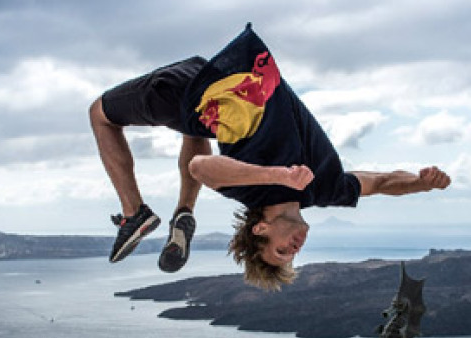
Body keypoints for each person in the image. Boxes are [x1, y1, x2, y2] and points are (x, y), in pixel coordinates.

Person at [89, 23, 451, 289]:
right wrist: (421, 184)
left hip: (190, 89)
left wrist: (277, 176)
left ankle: (135, 213)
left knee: (100, 115)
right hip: (222, 86)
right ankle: (183, 213)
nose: (294, 249)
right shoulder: (324, 190)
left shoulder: (251, 190)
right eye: (292, 256)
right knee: (198, 126)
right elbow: (382, 182)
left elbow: (203, 167)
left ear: (260, 229)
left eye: (281, 252)